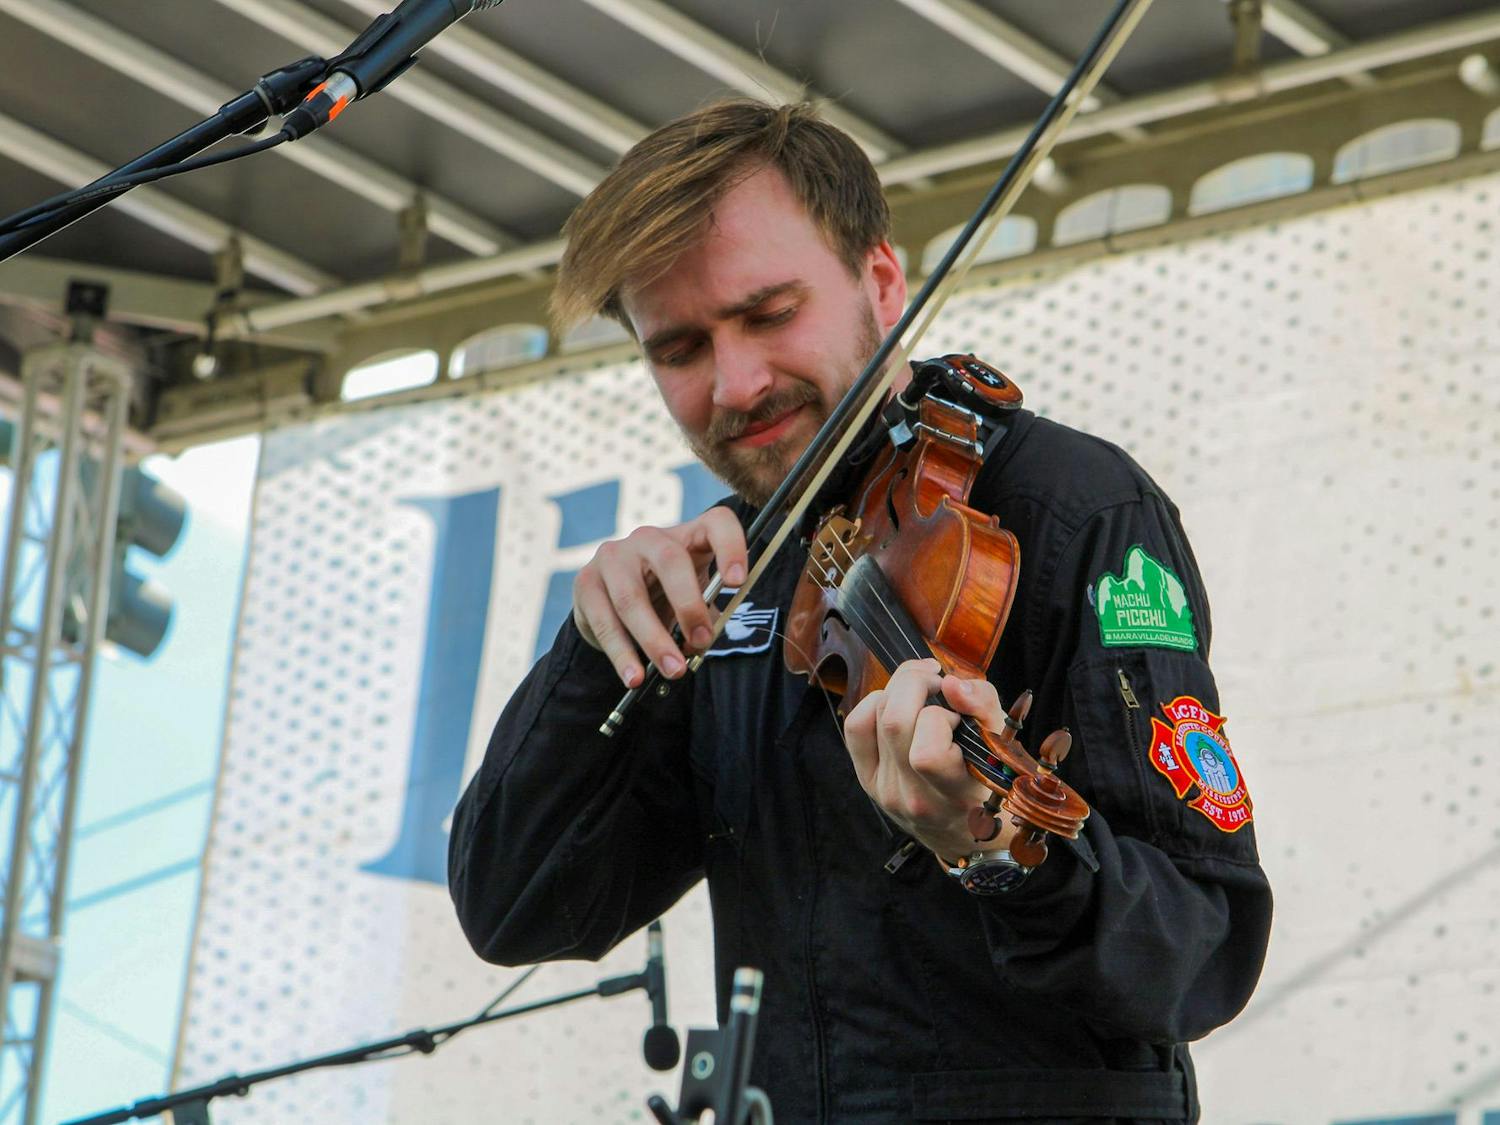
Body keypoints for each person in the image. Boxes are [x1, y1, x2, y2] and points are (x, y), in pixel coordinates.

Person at [449, 99, 1272, 1124]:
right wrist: (585, 656)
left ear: (881, 281)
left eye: (767, 312)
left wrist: (1004, 850)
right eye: (681, 349)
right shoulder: (725, 579)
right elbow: (516, 905)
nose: (736, 383)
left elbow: (1203, 949)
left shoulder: (1072, 506)